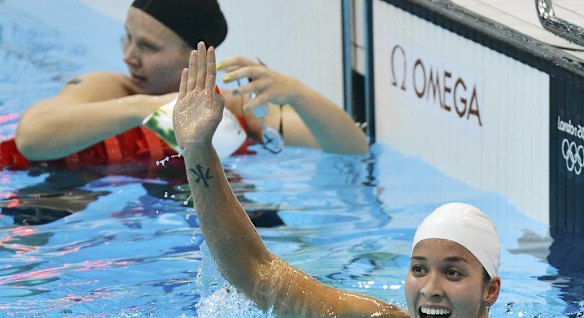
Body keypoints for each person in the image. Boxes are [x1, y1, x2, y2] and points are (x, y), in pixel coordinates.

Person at [175, 42, 554, 318]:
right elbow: (257, 276)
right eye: (419, 269)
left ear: (491, 290)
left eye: (452, 272)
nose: (430, 288)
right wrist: (197, 150)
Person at [13, 0, 367, 164]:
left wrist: (299, 94)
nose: (128, 57)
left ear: (196, 57)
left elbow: (351, 147)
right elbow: (30, 138)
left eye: (148, 47)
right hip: (59, 197)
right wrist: (147, 107)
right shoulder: (109, 90)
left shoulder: (232, 109)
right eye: (129, 38)